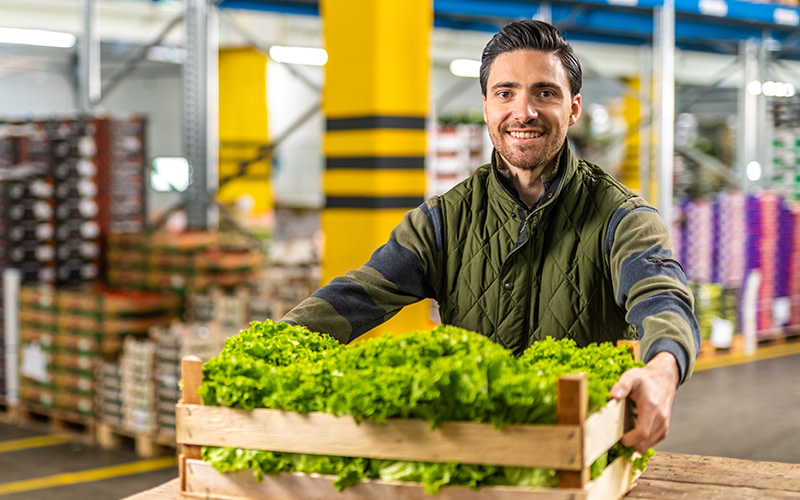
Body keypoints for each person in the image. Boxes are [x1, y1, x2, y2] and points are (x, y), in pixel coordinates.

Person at [283, 19, 700, 454]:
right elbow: (357, 294)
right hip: (472, 461)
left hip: (577, 461)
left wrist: (663, 369)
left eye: (545, 92)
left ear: (573, 108)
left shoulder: (623, 218)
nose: (524, 112)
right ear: (486, 106)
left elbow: (663, 299)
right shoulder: (444, 219)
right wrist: (275, 342)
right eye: (506, 93)